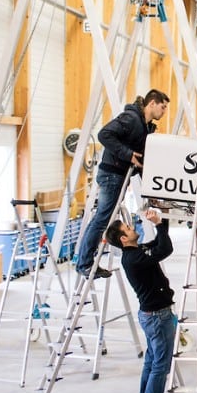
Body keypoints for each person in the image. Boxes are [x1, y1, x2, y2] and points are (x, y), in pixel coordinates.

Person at [76, 89, 170, 279]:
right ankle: (85, 263)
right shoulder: (131, 119)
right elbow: (104, 135)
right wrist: (127, 155)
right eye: (163, 107)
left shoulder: (145, 126)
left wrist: (151, 190)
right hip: (111, 175)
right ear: (152, 103)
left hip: (119, 176)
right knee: (102, 219)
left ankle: (85, 261)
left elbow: (141, 160)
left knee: (103, 218)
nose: (164, 111)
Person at [105, 208, 174, 393]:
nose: (132, 227)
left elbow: (156, 244)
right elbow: (165, 249)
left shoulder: (136, 252)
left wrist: (162, 222)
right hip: (157, 316)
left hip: (152, 315)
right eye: (128, 228)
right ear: (124, 239)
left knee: (151, 362)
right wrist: (159, 224)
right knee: (160, 366)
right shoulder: (134, 258)